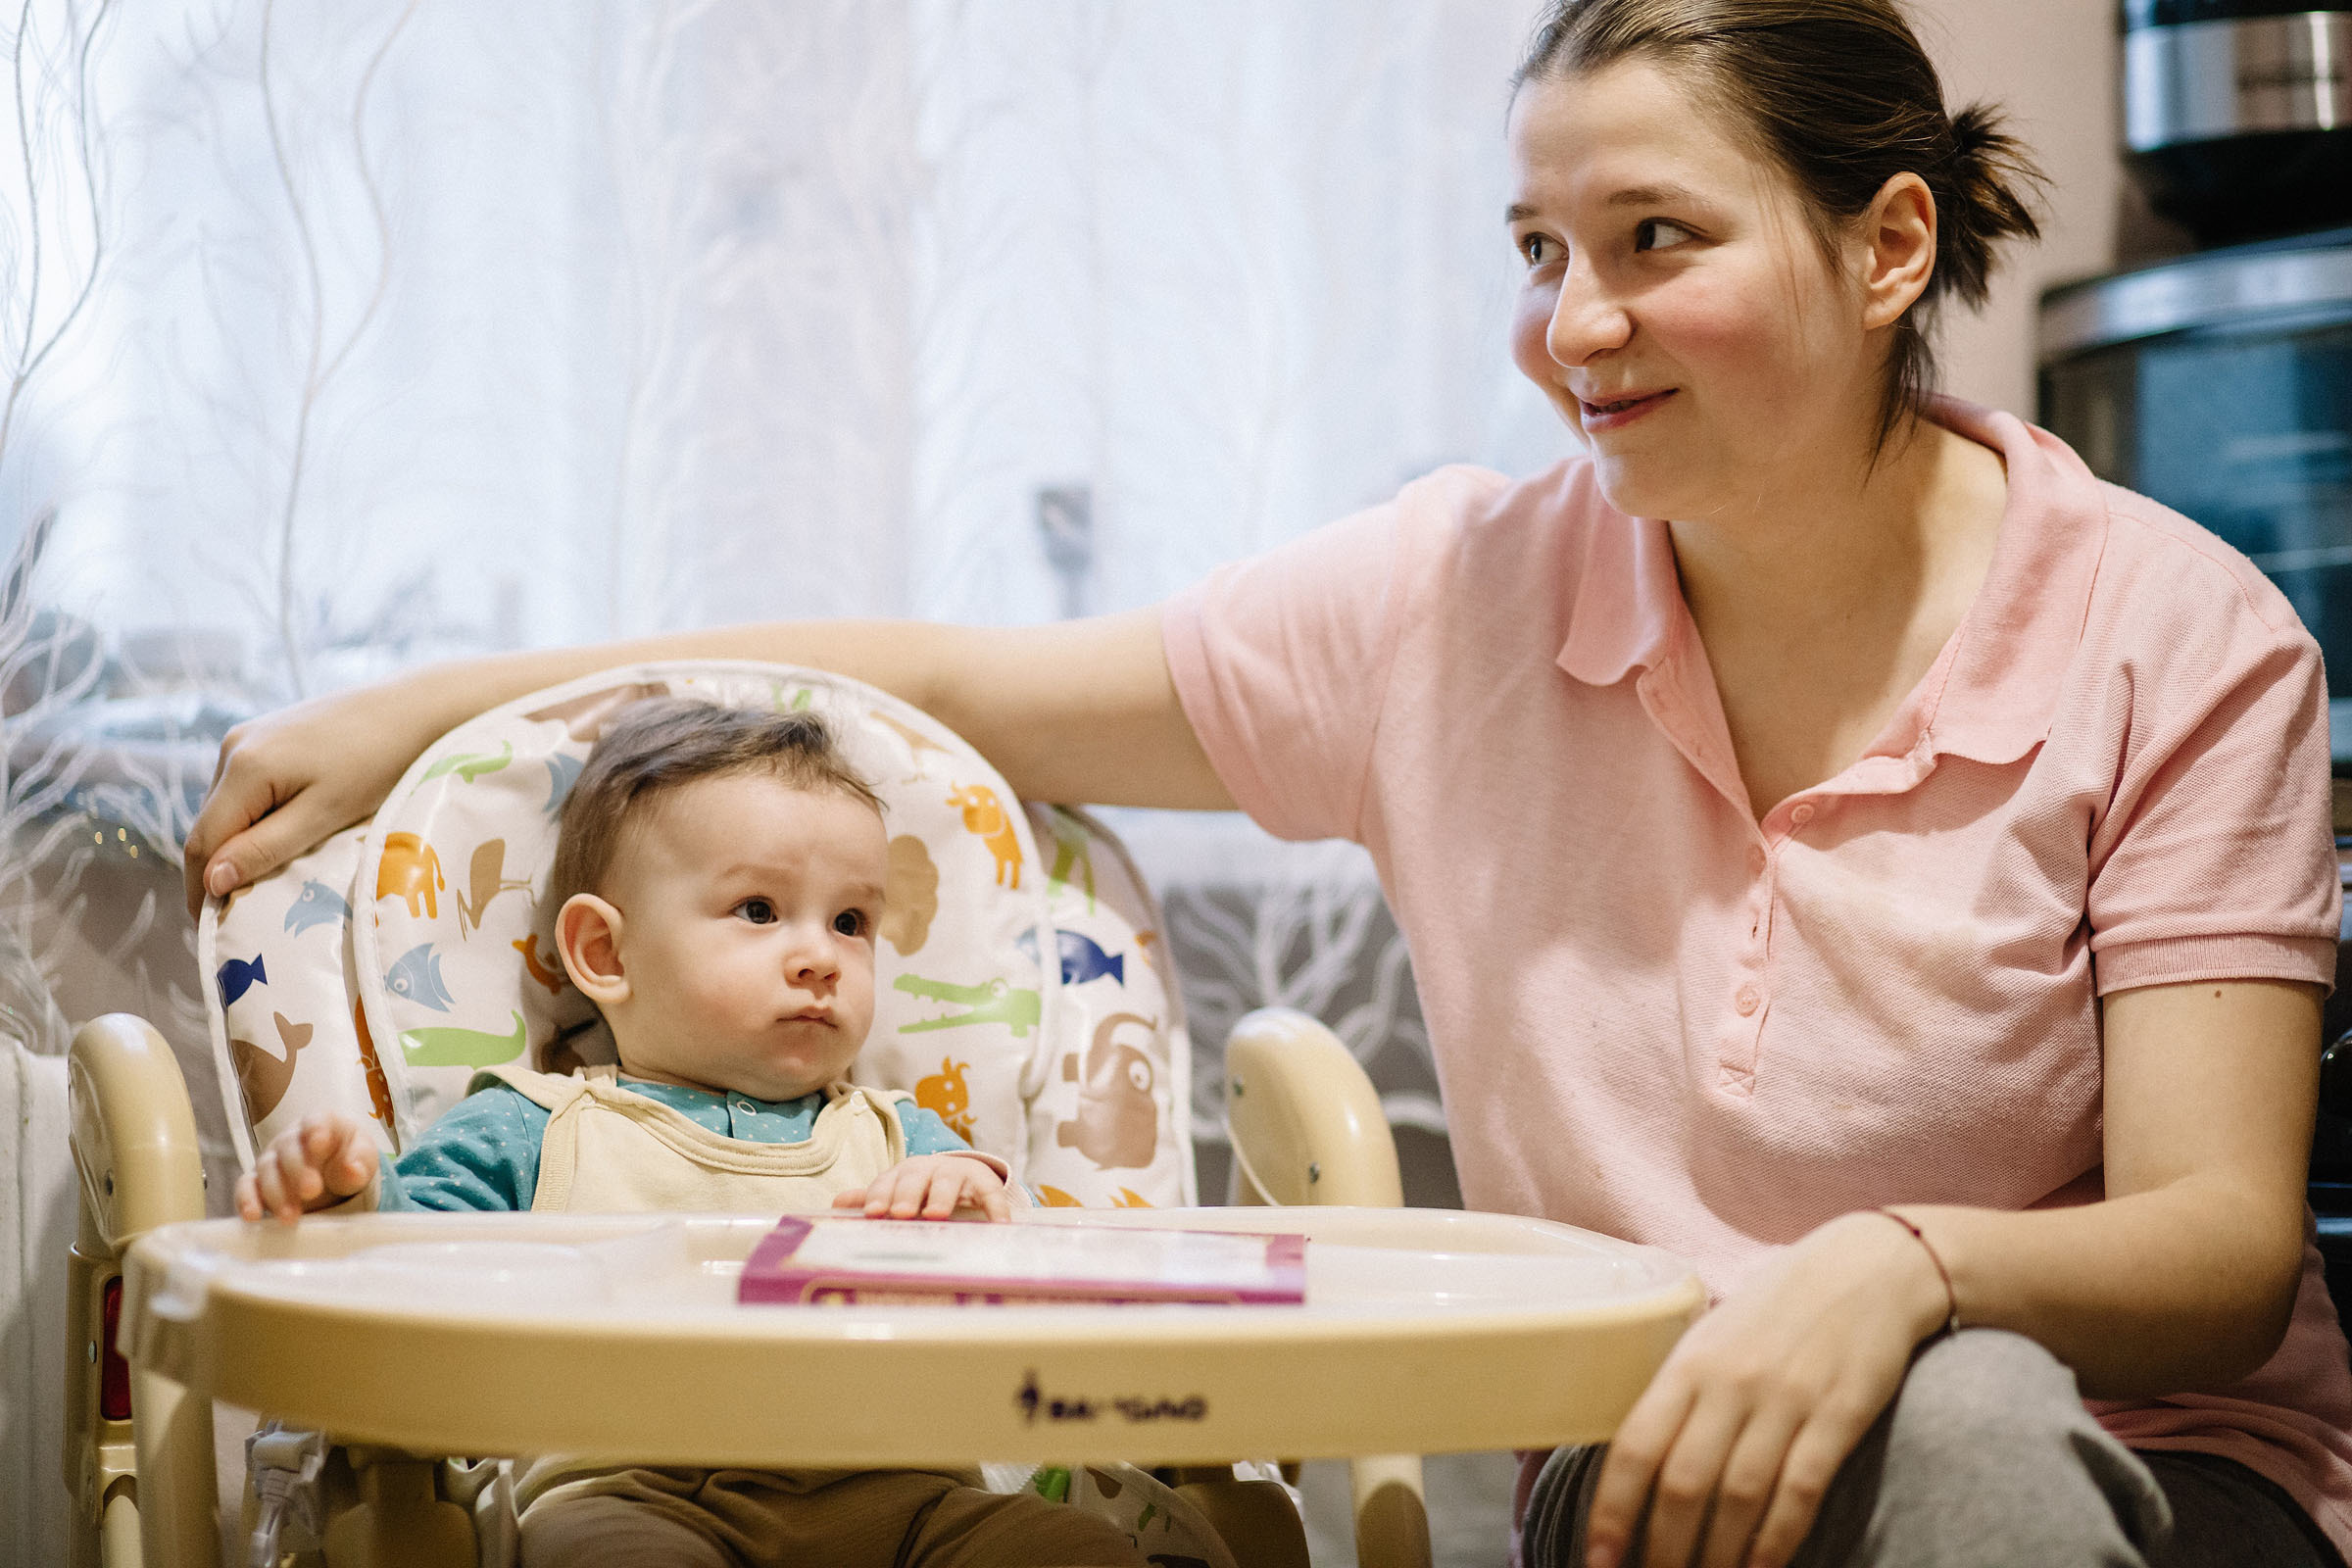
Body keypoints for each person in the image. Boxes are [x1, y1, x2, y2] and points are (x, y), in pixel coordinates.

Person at [188, 1, 2352, 1564]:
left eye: (1654, 240)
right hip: (1668, 1455)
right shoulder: (1456, 601)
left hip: (2157, 1467)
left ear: (1889, 251)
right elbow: (955, 676)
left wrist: (1899, 1266)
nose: (1571, 323)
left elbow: (2223, 1241)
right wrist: (428, 710)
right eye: (1537, 247)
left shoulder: (2180, 630)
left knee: (1962, 1405)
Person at [234, 700, 1147, 1568]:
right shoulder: (532, 1128)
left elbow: (1020, 1274)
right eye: (758, 909)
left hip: (906, 1496)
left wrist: (974, 1203)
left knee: (1078, 1550)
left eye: (852, 921)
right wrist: (350, 1201)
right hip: (631, 1490)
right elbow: (409, 1269)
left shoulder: (901, 1135)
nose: (820, 956)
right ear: (605, 954)